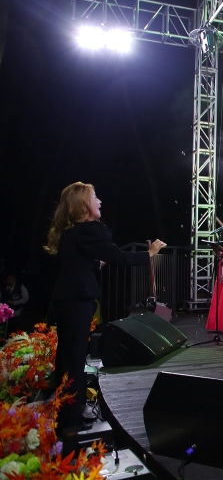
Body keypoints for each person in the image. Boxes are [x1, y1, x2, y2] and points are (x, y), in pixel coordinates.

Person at [45, 182, 165, 432]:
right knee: (75, 359)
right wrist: (149, 254)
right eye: (95, 197)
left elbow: (77, 262)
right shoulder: (89, 230)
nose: (100, 201)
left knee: (68, 358)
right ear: (82, 205)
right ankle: (71, 421)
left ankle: (66, 412)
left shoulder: (74, 232)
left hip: (68, 299)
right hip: (76, 301)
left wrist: (94, 264)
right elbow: (118, 257)